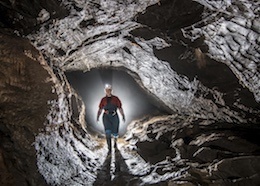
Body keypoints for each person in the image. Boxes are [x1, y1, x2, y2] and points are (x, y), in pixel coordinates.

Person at [97, 84, 125, 153]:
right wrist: (97, 117)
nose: (108, 91)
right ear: (105, 91)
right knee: (108, 132)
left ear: (111, 90)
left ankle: (115, 144)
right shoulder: (103, 100)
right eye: (106, 90)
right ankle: (109, 148)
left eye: (109, 90)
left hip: (114, 116)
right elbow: (100, 109)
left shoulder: (116, 99)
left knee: (115, 132)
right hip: (106, 117)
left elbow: (120, 108)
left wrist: (123, 115)